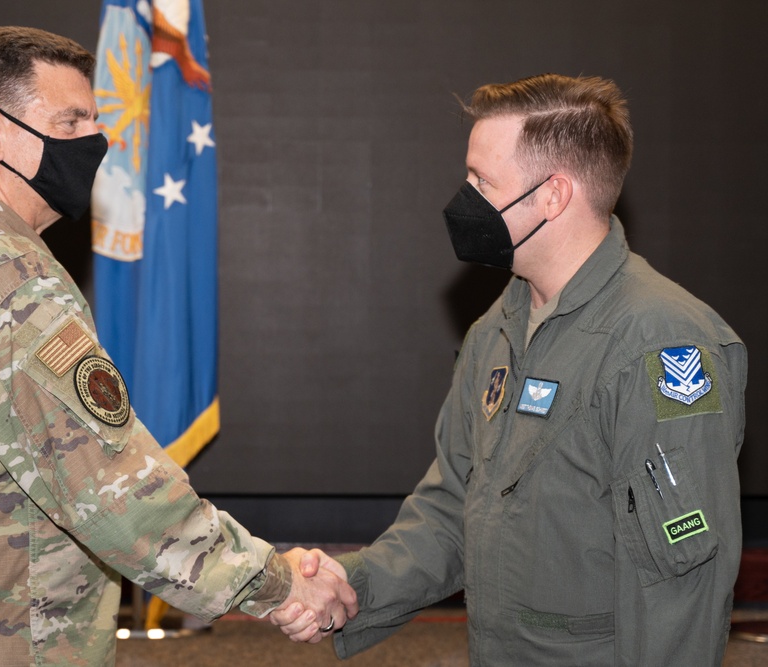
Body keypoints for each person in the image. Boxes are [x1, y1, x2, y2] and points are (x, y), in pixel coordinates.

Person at [0, 26, 355, 666]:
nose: (96, 143)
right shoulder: (13, 284)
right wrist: (277, 581)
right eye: (70, 121)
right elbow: (118, 496)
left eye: (94, 121)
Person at [272, 74, 747, 665]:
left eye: (482, 181)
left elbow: (680, 582)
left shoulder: (660, 342)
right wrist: (349, 586)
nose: (463, 199)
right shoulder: (496, 329)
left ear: (553, 196)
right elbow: (453, 510)